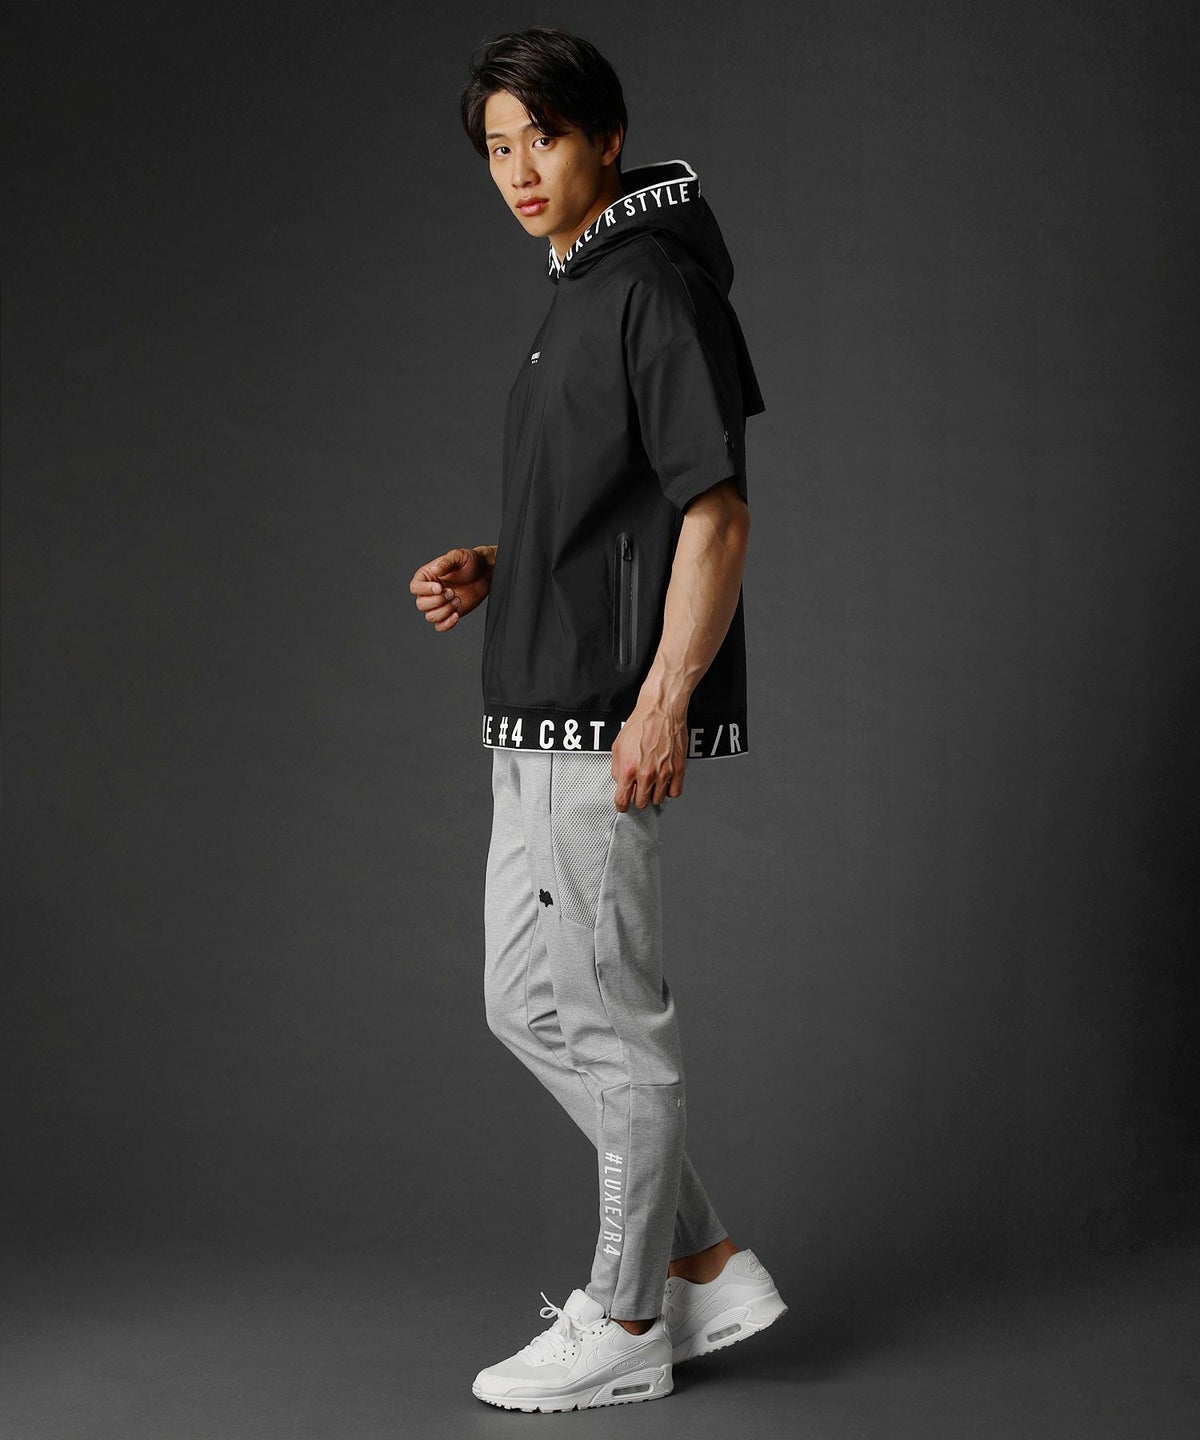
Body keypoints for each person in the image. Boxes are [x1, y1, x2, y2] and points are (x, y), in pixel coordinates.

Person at [409, 27, 786, 1413]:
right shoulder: (577, 287)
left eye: (544, 139)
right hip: (533, 703)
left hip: (597, 716)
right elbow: (607, 511)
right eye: (497, 148)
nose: (519, 171)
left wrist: (663, 700)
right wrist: (501, 564)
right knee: (524, 1003)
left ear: (606, 139)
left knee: (613, 1024)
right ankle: (705, 1261)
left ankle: (628, 1318)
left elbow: (715, 511)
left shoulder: (653, 287)